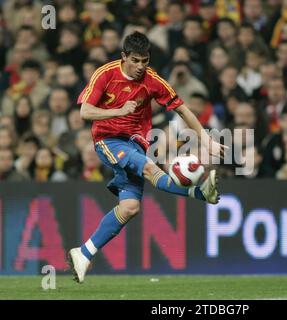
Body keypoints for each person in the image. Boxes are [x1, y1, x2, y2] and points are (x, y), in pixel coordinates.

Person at [68, 32, 225, 283]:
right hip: (108, 141)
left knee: (130, 208)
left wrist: (205, 139)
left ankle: (84, 252)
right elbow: (85, 111)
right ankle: (200, 192)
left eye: (145, 60)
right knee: (151, 169)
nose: (141, 66)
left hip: (137, 143)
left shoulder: (153, 81)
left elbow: (182, 108)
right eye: (136, 60)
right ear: (124, 57)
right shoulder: (105, 74)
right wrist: (118, 111)